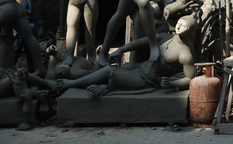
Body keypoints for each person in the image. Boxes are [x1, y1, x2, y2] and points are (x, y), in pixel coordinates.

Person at [53, 13, 199, 96]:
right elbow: (141, 42)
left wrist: (172, 83)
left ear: (191, 31)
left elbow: (190, 78)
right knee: (103, 70)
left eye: (184, 26)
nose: (179, 26)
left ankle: (73, 84)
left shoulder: (185, 54)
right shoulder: (166, 37)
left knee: (110, 70)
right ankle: (104, 86)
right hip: (138, 68)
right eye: (179, 22)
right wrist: (121, 50)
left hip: (146, 79)